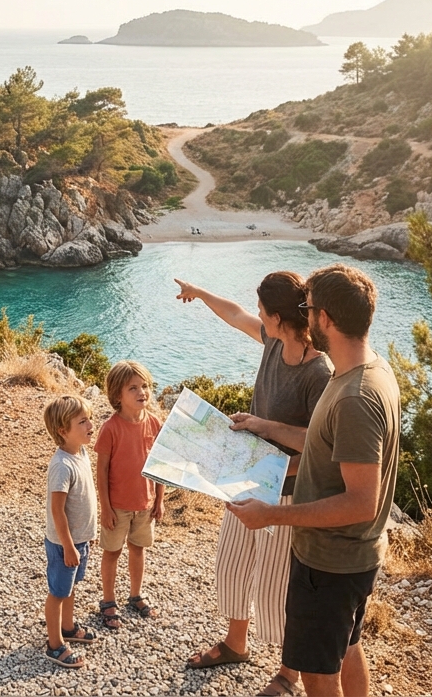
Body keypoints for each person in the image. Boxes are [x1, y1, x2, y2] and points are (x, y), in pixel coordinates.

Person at [227, 264, 401, 697]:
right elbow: (320, 443)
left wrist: (273, 516)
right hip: (353, 557)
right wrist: (265, 427)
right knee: (347, 647)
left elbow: (361, 501)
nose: (302, 315)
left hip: (330, 560)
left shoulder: (355, 397)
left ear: (324, 318)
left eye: (307, 308)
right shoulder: (370, 372)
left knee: (319, 676)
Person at [175, 272, 333, 697]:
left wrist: (265, 426)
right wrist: (201, 291)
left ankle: (289, 672)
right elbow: (235, 314)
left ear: (280, 317)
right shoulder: (273, 339)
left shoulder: (320, 373)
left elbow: (320, 443)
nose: (258, 317)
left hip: (286, 491)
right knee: (232, 562)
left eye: (264, 311)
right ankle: (235, 642)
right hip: (246, 478)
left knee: (276, 583)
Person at [95, 360, 165, 629]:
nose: (142, 392)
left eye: (144, 386)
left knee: (138, 550)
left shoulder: (155, 423)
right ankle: (108, 601)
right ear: (117, 396)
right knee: (112, 552)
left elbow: (160, 466)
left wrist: (160, 499)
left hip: (145, 504)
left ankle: (135, 595)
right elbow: (101, 472)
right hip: (118, 506)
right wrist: (106, 508)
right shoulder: (111, 428)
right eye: (133, 388)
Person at [42, 395, 100, 668]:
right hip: (65, 543)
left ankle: (67, 627)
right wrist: (67, 545)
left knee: (71, 586)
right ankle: (54, 645)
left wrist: (90, 531)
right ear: (63, 431)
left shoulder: (82, 453)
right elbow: (57, 510)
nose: (91, 424)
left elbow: (85, 498)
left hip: (79, 539)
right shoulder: (62, 465)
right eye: (83, 421)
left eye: (89, 418)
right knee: (58, 592)